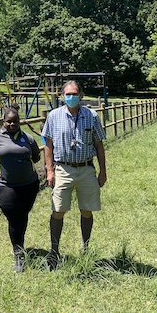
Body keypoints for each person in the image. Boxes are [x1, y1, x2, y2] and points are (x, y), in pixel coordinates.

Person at [42, 80, 107, 270]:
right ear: (62, 96)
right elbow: (48, 144)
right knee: (58, 210)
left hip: (86, 169)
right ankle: (54, 252)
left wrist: (103, 171)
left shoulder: (91, 115)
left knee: (86, 210)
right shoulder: (54, 116)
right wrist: (50, 170)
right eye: (67, 94)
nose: (71, 97)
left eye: (74, 93)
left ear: (81, 95)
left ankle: (85, 249)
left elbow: (99, 145)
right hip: (63, 168)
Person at [0, 108, 41, 272]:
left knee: (23, 216)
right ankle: (19, 254)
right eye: (8, 121)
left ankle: (19, 244)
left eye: (15, 121)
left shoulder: (27, 137)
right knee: (15, 217)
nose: (12, 124)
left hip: (29, 185)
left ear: (19, 122)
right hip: (5, 186)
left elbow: (36, 156)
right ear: (3, 122)